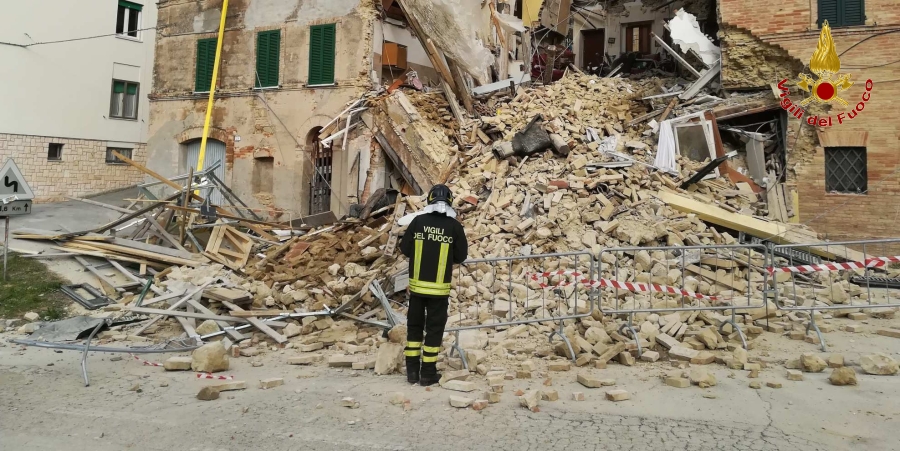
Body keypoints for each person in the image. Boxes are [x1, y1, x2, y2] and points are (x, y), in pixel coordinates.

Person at [400, 184, 468, 386]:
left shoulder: (418, 222)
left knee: (414, 328)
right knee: (434, 330)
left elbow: (405, 249)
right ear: (450, 201)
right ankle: (428, 373)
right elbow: (461, 256)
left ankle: (412, 372)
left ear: (429, 200)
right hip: (439, 291)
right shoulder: (454, 226)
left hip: (417, 290)